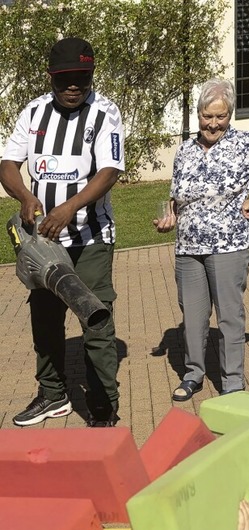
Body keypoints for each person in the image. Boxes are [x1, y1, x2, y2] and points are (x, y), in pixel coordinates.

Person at [0, 37, 124, 427]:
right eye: (65, 79)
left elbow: (109, 171)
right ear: (51, 77)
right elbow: (7, 162)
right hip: (43, 243)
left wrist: (71, 207)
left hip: (90, 240)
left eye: (81, 79)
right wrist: (23, 195)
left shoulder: (105, 113)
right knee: (46, 318)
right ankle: (53, 395)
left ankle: (104, 404)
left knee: (95, 318)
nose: (73, 86)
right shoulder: (34, 112)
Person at [155, 77, 249, 401]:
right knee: (192, 317)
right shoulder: (185, 151)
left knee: (229, 316)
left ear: (230, 116)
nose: (213, 123)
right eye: (208, 116)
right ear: (198, 115)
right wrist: (170, 216)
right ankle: (193, 374)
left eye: (220, 116)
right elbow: (176, 197)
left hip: (228, 246)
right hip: (188, 248)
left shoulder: (245, 143)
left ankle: (233, 383)